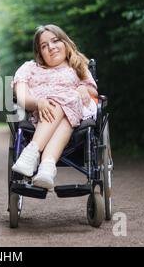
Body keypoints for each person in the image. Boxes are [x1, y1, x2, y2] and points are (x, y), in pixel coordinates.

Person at [11, 24, 98, 189]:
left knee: (67, 101)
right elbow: (21, 96)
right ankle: (44, 162)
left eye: (55, 41)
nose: (51, 47)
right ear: (40, 53)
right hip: (42, 117)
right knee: (61, 104)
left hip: (76, 118)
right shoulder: (29, 68)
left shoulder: (77, 66)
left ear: (65, 42)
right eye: (44, 46)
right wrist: (39, 102)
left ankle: (36, 156)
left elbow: (93, 90)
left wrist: (82, 87)